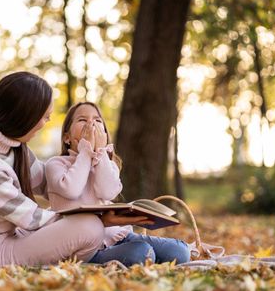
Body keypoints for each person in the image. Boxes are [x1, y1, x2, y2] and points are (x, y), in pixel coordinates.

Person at [0, 72, 145, 267]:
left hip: (9, 235)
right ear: (23, 117)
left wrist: (91, 173)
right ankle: (97, 257)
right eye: (44, 116)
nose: (46, 123)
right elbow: (32, 219)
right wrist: (101, 219)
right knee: (90, 228)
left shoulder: (3, 138)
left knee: (90, 224)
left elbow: (46, 183)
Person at [45, 102, 190, 267]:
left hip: (117, 234)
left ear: (105, 134)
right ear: (67, 137)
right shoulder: (56, 164)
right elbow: (72, 190)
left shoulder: (106, 163)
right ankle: (139, 256)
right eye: (82, 120)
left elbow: (108, 192)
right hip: (86, 245)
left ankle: (144, 255)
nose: (91, 124)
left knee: (180, 252)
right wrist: (85, 151)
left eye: (97, 121)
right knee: (141, 252)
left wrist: (100, 153)